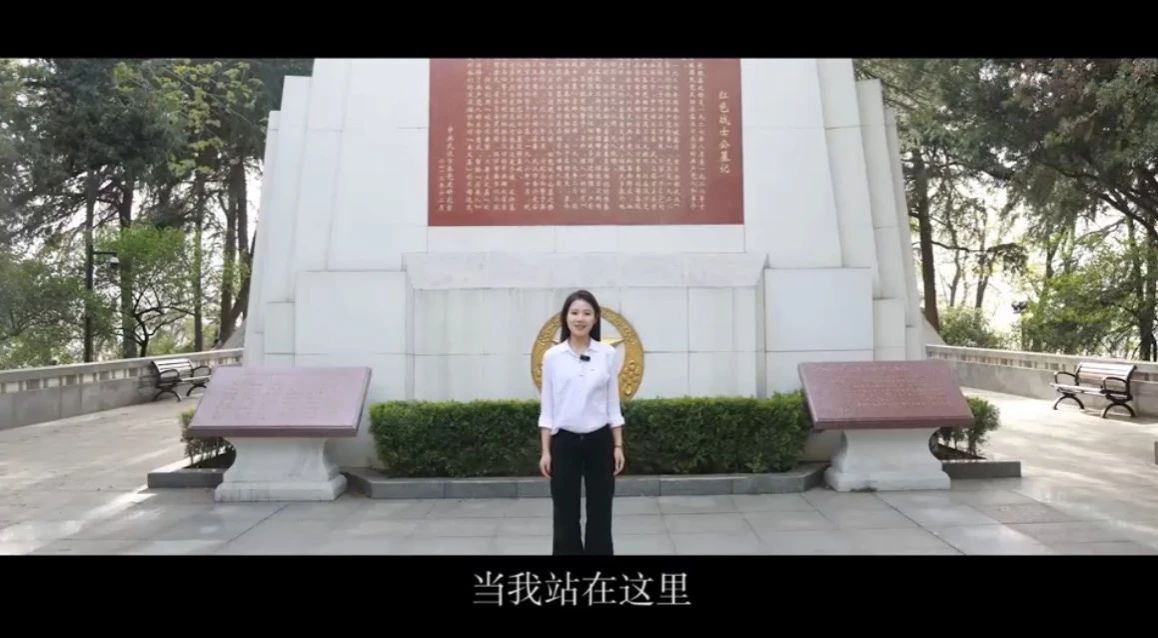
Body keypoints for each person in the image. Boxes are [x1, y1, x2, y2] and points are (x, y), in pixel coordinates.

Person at [537, 289, 625, 555]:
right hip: (564, 441)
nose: (580, 318)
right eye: (574, 312)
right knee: (565, 512)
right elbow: (548, 408)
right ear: (565, 318)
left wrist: (618, 446)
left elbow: (612, 404)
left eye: (587, 313)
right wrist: (546, 451)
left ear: (595, 318)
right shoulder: (553, 356)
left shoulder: (606, 354)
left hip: (599, 440)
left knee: (600, 510)